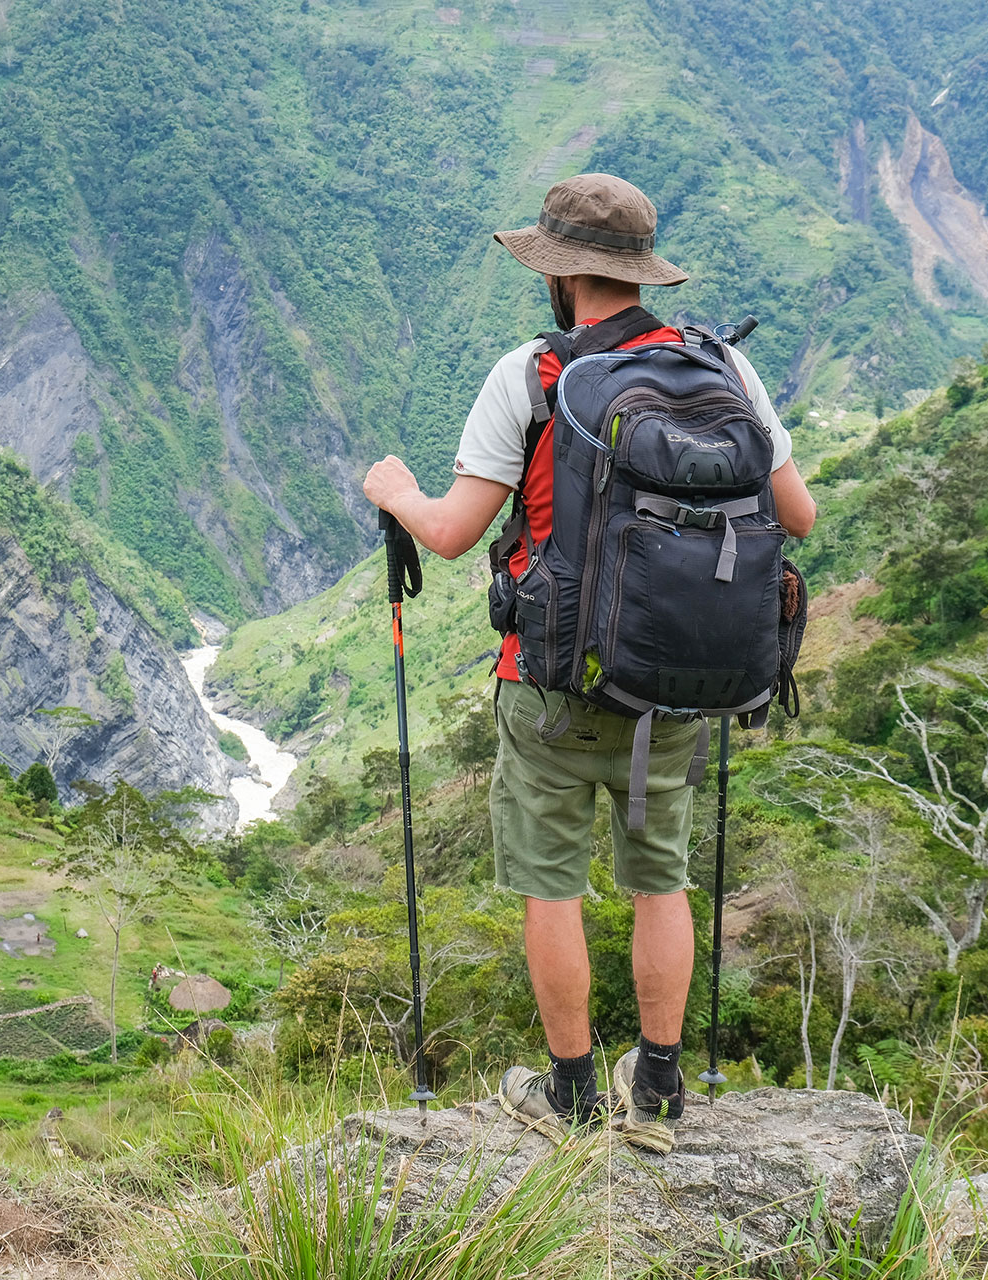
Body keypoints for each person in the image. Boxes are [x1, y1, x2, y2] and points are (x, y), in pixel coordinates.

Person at [361, 173, 817, 1155]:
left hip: (552, 682)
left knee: (551, 884)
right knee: (661, 879)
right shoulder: (725, 367)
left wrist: (393, 489)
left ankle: (567, 1094)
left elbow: (449, 533)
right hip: (678, 685)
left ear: (562, 275)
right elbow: (799, 516)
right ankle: (655, 1093)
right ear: (640, 273)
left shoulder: (531, 375)